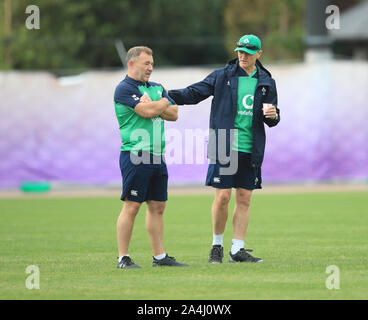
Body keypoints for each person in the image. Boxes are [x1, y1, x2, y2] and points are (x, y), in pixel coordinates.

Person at [169, 35, 280, 263]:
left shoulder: (267, 81)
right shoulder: (223, 75)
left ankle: (237, 250)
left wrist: (274, 115)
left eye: (248, 52)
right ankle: (216, 246)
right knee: (222, 198)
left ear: (259, 53)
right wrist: (165, 95)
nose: (242, 55)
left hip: (251, 147)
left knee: (245, 198)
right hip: (224, 143)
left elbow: (272, 116)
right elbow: (194, 93)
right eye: (240, 50)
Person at [114, 46, 188, 269]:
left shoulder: (155, 88)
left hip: (157, 155)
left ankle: (159, 257)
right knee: (132, 206)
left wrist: (159, 103)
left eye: (152, 65)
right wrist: (162, 103)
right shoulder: (124, 89)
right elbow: (146, 112)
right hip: (136, 154)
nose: (150, 68)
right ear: (132, 63)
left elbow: (174, 114)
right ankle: (123, 257)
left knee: (157, 206)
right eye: (146, 64)